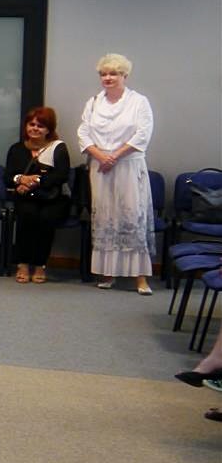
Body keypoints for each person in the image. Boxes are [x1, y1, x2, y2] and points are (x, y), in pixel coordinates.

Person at [78, 53, 155, 294]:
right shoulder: (93, 102)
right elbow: (83, 133)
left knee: (132, 217)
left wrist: (115, 156)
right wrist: (101, 156)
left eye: (113, 73)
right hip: (100, 167)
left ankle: (140, 278)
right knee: (104, 218)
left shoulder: (139, 102)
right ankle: (107, 273)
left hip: (129, 166)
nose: (108, 78)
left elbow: (142, 134)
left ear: (125, 75)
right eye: (103, 74)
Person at [4, 106, 71, 283]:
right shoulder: (16, 149)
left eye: (40, 126)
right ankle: (23, 263)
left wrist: (35, 181)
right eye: (31, 124)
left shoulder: (58, 148)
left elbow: (61, 175)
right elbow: (8, 176)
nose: (35, 128)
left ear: (49, 129)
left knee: (46, 218)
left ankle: (40, 264)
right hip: (26, 197)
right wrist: (21, 179)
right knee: (27, 215)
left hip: (52, 198)